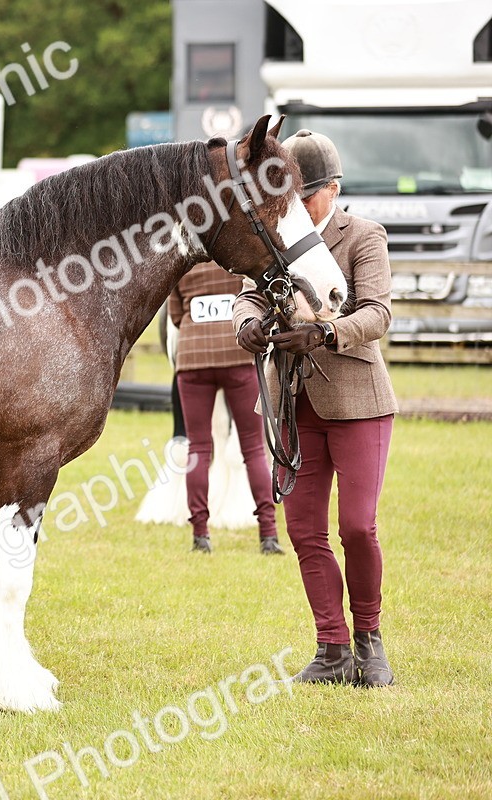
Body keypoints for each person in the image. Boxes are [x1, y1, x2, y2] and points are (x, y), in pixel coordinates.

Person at [233, 130, 398, 687]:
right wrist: (248, 324)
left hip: (357, 402)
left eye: (308, 196)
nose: (297, 208)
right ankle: (331, 648)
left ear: (334, 187)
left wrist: (326, 334)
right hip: (293, 402)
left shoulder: (364, 236)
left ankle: (369, 640)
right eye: (291, 197)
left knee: (356, 526)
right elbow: (249, 293)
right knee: (304, 530)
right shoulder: (279, 234)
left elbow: (377, 313)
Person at [168, 262, 284, 555]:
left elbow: (177, 316)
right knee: (254, 448)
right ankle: (268, 534)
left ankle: (200, 534)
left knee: (198, 448)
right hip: (237, 357)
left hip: (193, 358)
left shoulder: (186, 263)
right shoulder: (238, 261)